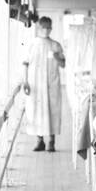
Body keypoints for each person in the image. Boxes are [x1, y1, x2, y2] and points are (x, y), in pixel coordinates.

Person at [24, 16, 65, 152]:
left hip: (51, 84)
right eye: (44, 27)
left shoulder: (55, 45)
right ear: (39, 28)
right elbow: (25, 63)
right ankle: (39, 141)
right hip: (35, 84)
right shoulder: (32, 44)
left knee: (52, 110)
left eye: (49, 27)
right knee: (37, 111)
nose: (46, 30)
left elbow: (63, 64)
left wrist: (56, 57)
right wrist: (25, 81)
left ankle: (52, 141)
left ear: (51, 28)